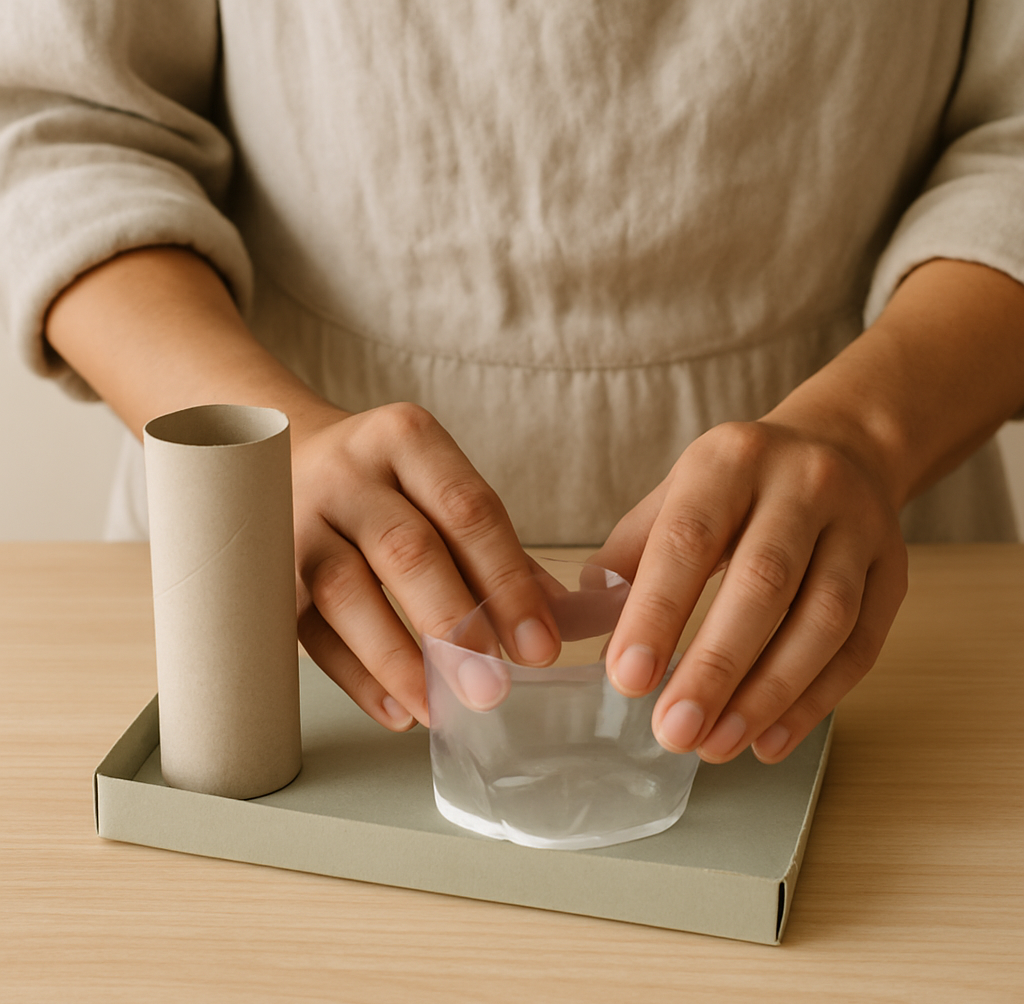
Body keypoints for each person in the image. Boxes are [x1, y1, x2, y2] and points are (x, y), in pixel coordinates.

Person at [2, 1, 1023, 766]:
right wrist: (280, 441)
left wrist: (868, 431)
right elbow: (62, 124)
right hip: (284, 590)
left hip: (860, 598)